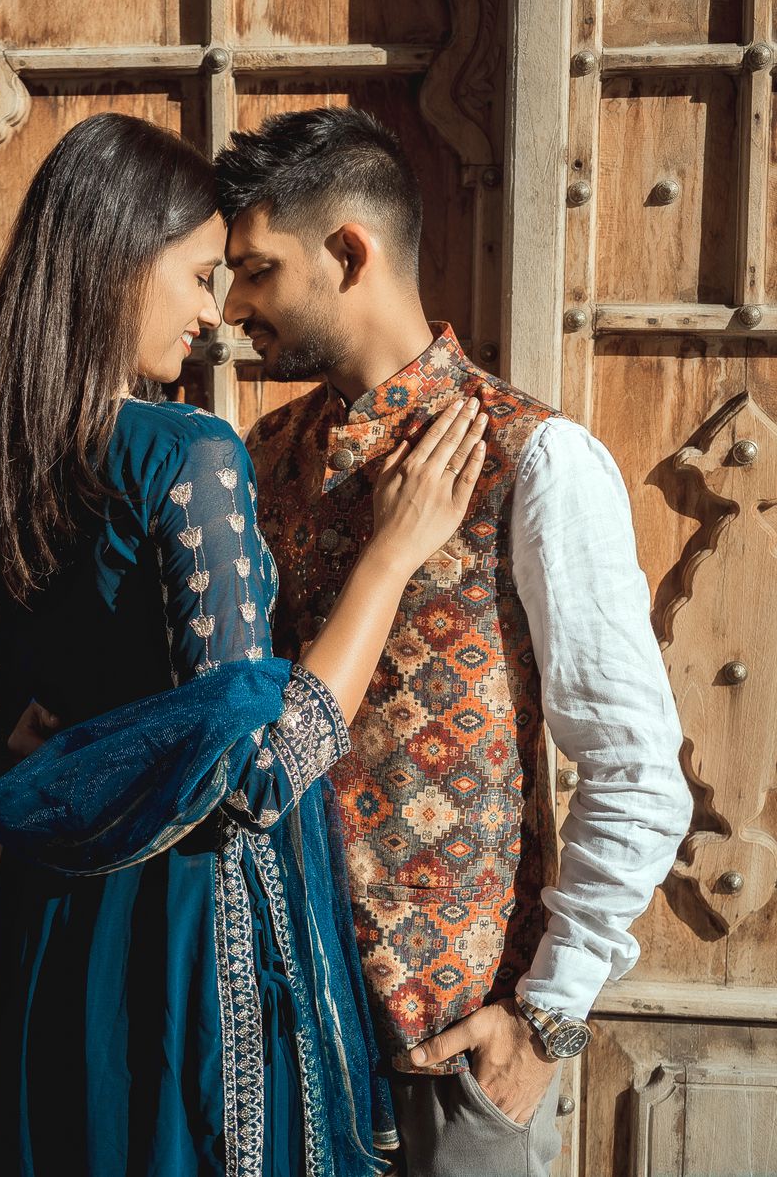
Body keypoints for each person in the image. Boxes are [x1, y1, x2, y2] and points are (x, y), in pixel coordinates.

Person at [0, 112, 489, 1177]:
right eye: (194, 276)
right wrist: (391, 554)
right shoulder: (188, 456)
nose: (213, 315)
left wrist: (98, 738)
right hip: (185, 937)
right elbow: (257, 776)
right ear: (114, 268)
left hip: (54, 935)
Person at [213, 106, 695, 1177]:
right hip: (279, 1033)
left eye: (254, 270)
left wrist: (546, 1021)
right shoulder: (259, 455)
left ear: (348, 252)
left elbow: (634, 768)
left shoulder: (536, 458)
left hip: (448, 1050)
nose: (232, 306)